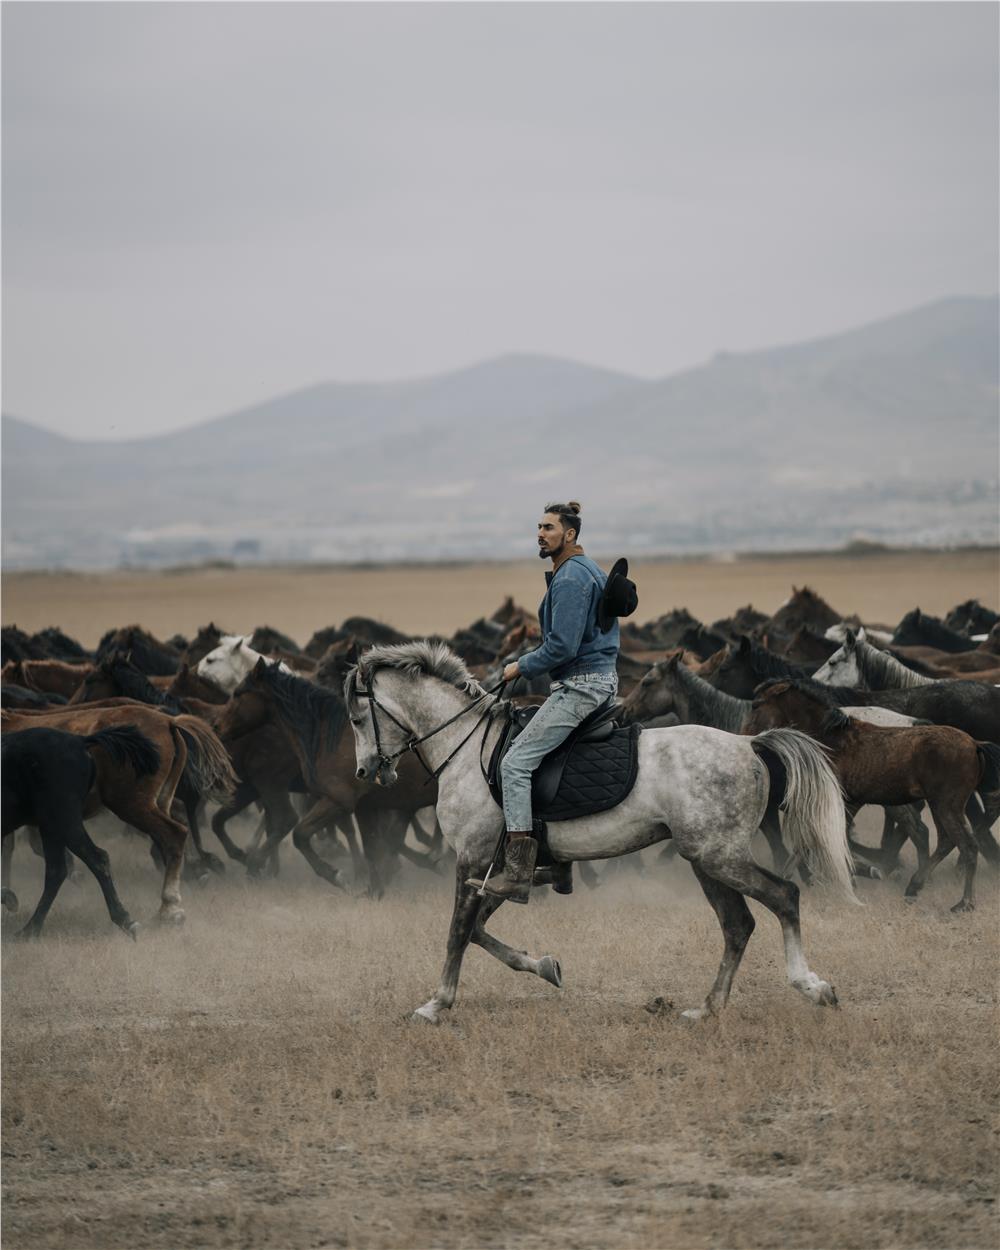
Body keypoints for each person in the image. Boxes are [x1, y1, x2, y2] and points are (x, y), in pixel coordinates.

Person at [467, 501, 620, 903]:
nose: (540, 533)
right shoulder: (585, 570)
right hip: (594, 680)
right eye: (538, 526)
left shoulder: (570, 578)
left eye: (549, 527)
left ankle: (518, 871)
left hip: (581, 686)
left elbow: (562, 646)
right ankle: (558, 861)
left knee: (515, 764)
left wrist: (521, 665)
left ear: (569, 534)